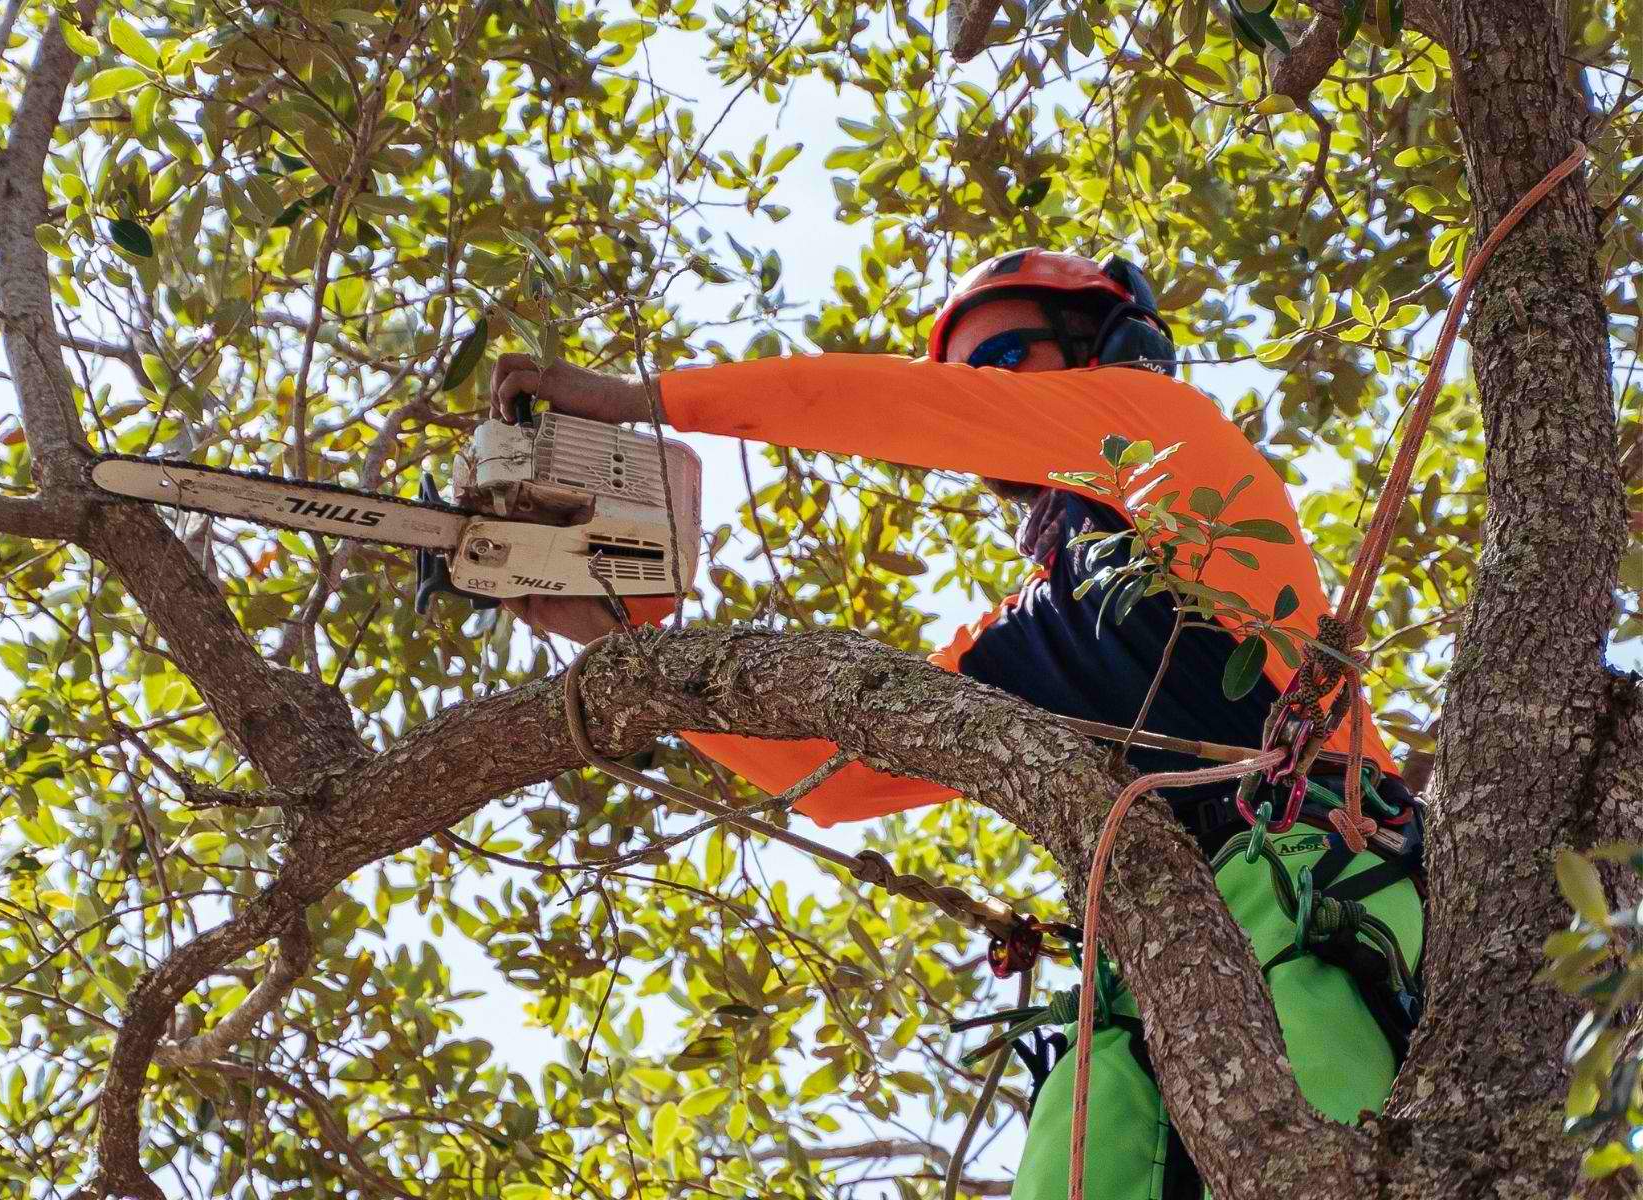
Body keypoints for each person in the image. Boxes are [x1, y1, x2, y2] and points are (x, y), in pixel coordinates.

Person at [494, 248, 1424, 1200]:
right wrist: (618, 640)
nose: (983, 390)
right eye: (968, 375)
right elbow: (835, 774)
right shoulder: (1027, 632)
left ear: (1110, 345)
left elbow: (923, 411)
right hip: (1149, 958)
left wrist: (649, 398)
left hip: (1317, 872)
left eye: (1009, 356)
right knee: (1081, 1148)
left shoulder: (1170, 440)